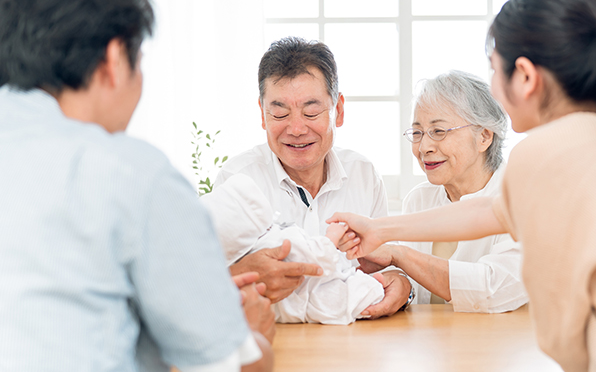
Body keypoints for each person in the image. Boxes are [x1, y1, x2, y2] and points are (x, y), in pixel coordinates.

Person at [330, 0, 596, 371]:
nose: (493, 84)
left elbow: (563, 337)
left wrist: (385, 237)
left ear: (524, 75)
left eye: (495, 69)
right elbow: (484, 213)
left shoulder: (546, 152)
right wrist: (379, 229)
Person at [0, 0, 274, 372]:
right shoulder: (129, 173)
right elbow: (233, 365)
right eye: (140, 60)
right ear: (113, 61)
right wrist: (250, 333)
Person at [214, 37, 413, 318]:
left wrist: (405, 287)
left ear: (338, 110)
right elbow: (202, 281)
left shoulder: (363, 175)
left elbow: (385, 266)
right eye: (280, 112)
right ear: (262, 114)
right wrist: (238, 274)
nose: (296, 128)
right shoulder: (238, 181)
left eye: (311, 111)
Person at [357, 71, 528, 312]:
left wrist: (400, 255)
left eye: (439, 131)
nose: (424, 147)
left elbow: (494, 290)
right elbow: (418, 298)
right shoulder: (420, 199)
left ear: (484, 137)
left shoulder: (521, 197)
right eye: (417, 133)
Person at [201, 174, 384, 325]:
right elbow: (318, 258)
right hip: (310, 299)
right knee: (342, 298)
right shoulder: (276, 242)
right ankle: (372, 289)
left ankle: (366, 284)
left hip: (287, 313)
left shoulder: (240, 254)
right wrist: (332, 237)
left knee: (343, 289)